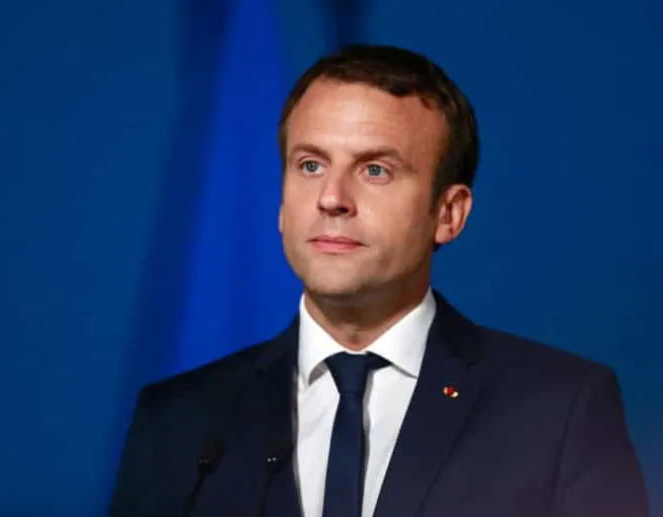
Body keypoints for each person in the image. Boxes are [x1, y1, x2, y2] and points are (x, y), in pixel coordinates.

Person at [108, 45, 649, 517]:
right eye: (310, 165)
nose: (331, 198)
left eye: (375, 170)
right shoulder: (180, 422)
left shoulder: (559, 410)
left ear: (449, 214)